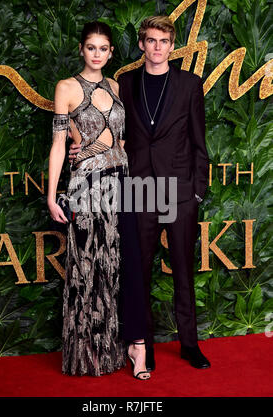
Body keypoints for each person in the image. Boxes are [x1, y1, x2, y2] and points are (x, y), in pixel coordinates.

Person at [69, 15, 211, 371]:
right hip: (139, 189)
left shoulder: (190, 85)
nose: (157, 47)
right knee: (139, 272)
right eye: (150, 40)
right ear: (142, 45)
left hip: (179, 190)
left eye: (163, 41)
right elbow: (112, 132)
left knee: (182, 271)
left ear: (172, 45)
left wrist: (197, 192)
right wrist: (82, 149)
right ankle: (142, 346)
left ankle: (189, 344)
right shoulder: (124, 84)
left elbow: (199, 141)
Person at [47, 21, 150, 379]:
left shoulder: (116, 86)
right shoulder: (66, 87)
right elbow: (60, 144)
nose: (97, 54)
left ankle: (129, 348)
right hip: (86, 185)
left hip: (121, 181)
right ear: (81, 49)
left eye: (103, 48)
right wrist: (51, 194)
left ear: (110, 52)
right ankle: (90, 353)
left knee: (125, 263)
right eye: (91, 47)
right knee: (89, 266)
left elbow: (120, 141)